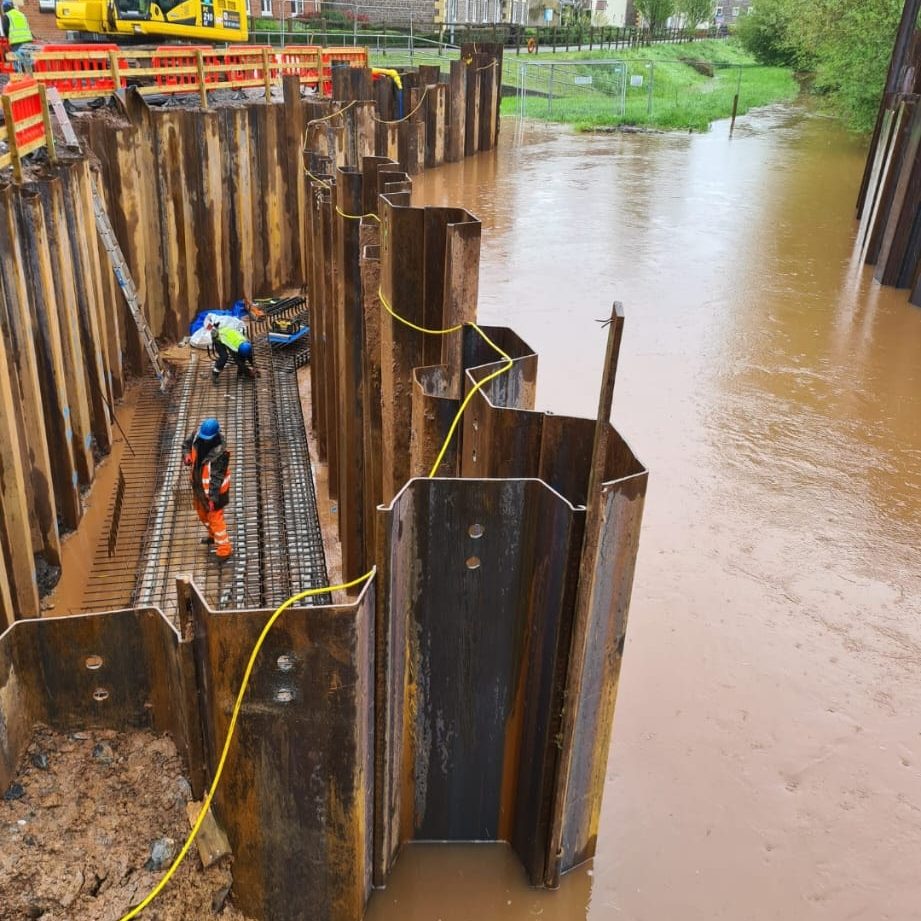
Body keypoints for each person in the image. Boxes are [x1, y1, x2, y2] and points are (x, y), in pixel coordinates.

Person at [182, 417, 233, 560]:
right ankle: (213, 536)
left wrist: (212, 498)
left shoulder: (220, 453)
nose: (204, 440)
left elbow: (216, 479)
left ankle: (224, 550)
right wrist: (186, 455)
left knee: (215, 518)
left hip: (215, 493)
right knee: (202, 514)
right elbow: (186, 445)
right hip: (198, 487)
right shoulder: (196, 436)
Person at [1, 1, 34, 73]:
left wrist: (8, 37)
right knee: (29, 62)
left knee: (18, 62)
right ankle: (32, 79)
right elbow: (27, 26)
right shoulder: (22, 14)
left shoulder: (7, 16)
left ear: (4, 7)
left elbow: (5, 29)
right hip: (28, 40)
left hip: (17, 42)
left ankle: (21, 80)